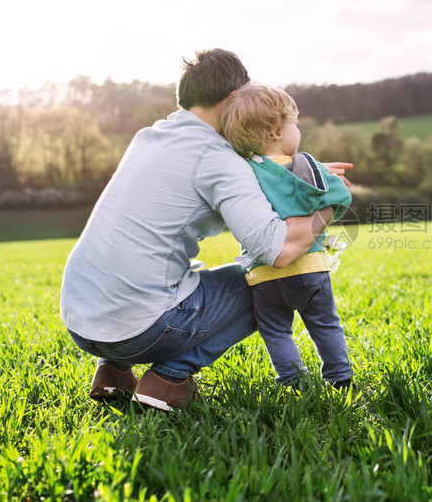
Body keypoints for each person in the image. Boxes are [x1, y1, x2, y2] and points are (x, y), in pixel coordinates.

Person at [59, 49, 351, 411]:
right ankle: (168, 378)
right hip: (135, 328)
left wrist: (302, 172)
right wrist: (328, 204)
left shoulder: (148, 137)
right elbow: (278, 251)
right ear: (233, 99)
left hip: (79, 319)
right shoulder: (217, 158)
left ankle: (113, 373)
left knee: (163, 272)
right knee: (265, 284)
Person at [222, 84, 353, 389]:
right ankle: (340, 378)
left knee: (276, 332)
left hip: (263, 274)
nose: (298, 130)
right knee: (325, 325)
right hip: (310, 267)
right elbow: (339, 196)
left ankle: (293, 381)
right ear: (276, 131)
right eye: (294, 123)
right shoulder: (307, 166)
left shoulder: (242, 175)